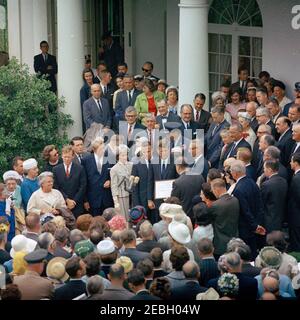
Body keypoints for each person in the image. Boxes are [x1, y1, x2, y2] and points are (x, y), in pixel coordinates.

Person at [230, 160, 266, 258]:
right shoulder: (252, 182)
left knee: (247, 254)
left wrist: (254, 226)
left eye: (231, 171)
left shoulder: (238, 190)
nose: (231, 173)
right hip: (256, 224)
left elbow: (245, 211)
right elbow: (260, 205)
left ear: (236, 173)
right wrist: (258, 224)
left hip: (246, 227)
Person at [81, 137, 114, 217]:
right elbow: (83, 181)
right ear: (94, 149)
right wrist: (85, 200)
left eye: (104, 148)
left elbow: (114, 174)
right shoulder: (86, 160)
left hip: (108, 198)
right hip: (93, 199)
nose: (103, 150)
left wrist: (110, 181)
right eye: (101, 149)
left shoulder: (110, 158)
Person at [53, 145, 87, 218]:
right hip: (62, 204)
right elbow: (56, 187)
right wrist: (66, 199)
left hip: (77, 204)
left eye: (68, 157)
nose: (67, 159)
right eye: (65, 157)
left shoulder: (80, 168)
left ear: (73, 156)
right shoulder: (56, 169)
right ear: (62, 156)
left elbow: (83, 186)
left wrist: (74, 201)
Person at [209, 179, 240, 257]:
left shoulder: (215, 205)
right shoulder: (235, 200)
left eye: (212, 190)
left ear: (216, 189)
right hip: (234, 243)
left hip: (220, 245)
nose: (212, 192)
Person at [260, 160, 288, 233]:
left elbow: (261, 203)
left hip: (268, 220)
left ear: (269, 169)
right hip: (281, 218)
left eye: (264, 168)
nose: (263, 170)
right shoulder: (284, 181)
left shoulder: (266, 185)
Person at [288, 153, 300, 252]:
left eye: (291, 161)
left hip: (296, 215)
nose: (290, 163)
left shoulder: (297, 179)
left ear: (296, 163)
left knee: (296, 239)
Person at [80, 68, 95, 133]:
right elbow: (84, 105)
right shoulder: (83, 89)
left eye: (90, 75)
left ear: (92, 75)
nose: (89, 78)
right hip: (90, 116)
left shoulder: (97, 85)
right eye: (86, 76)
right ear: (84, 77)